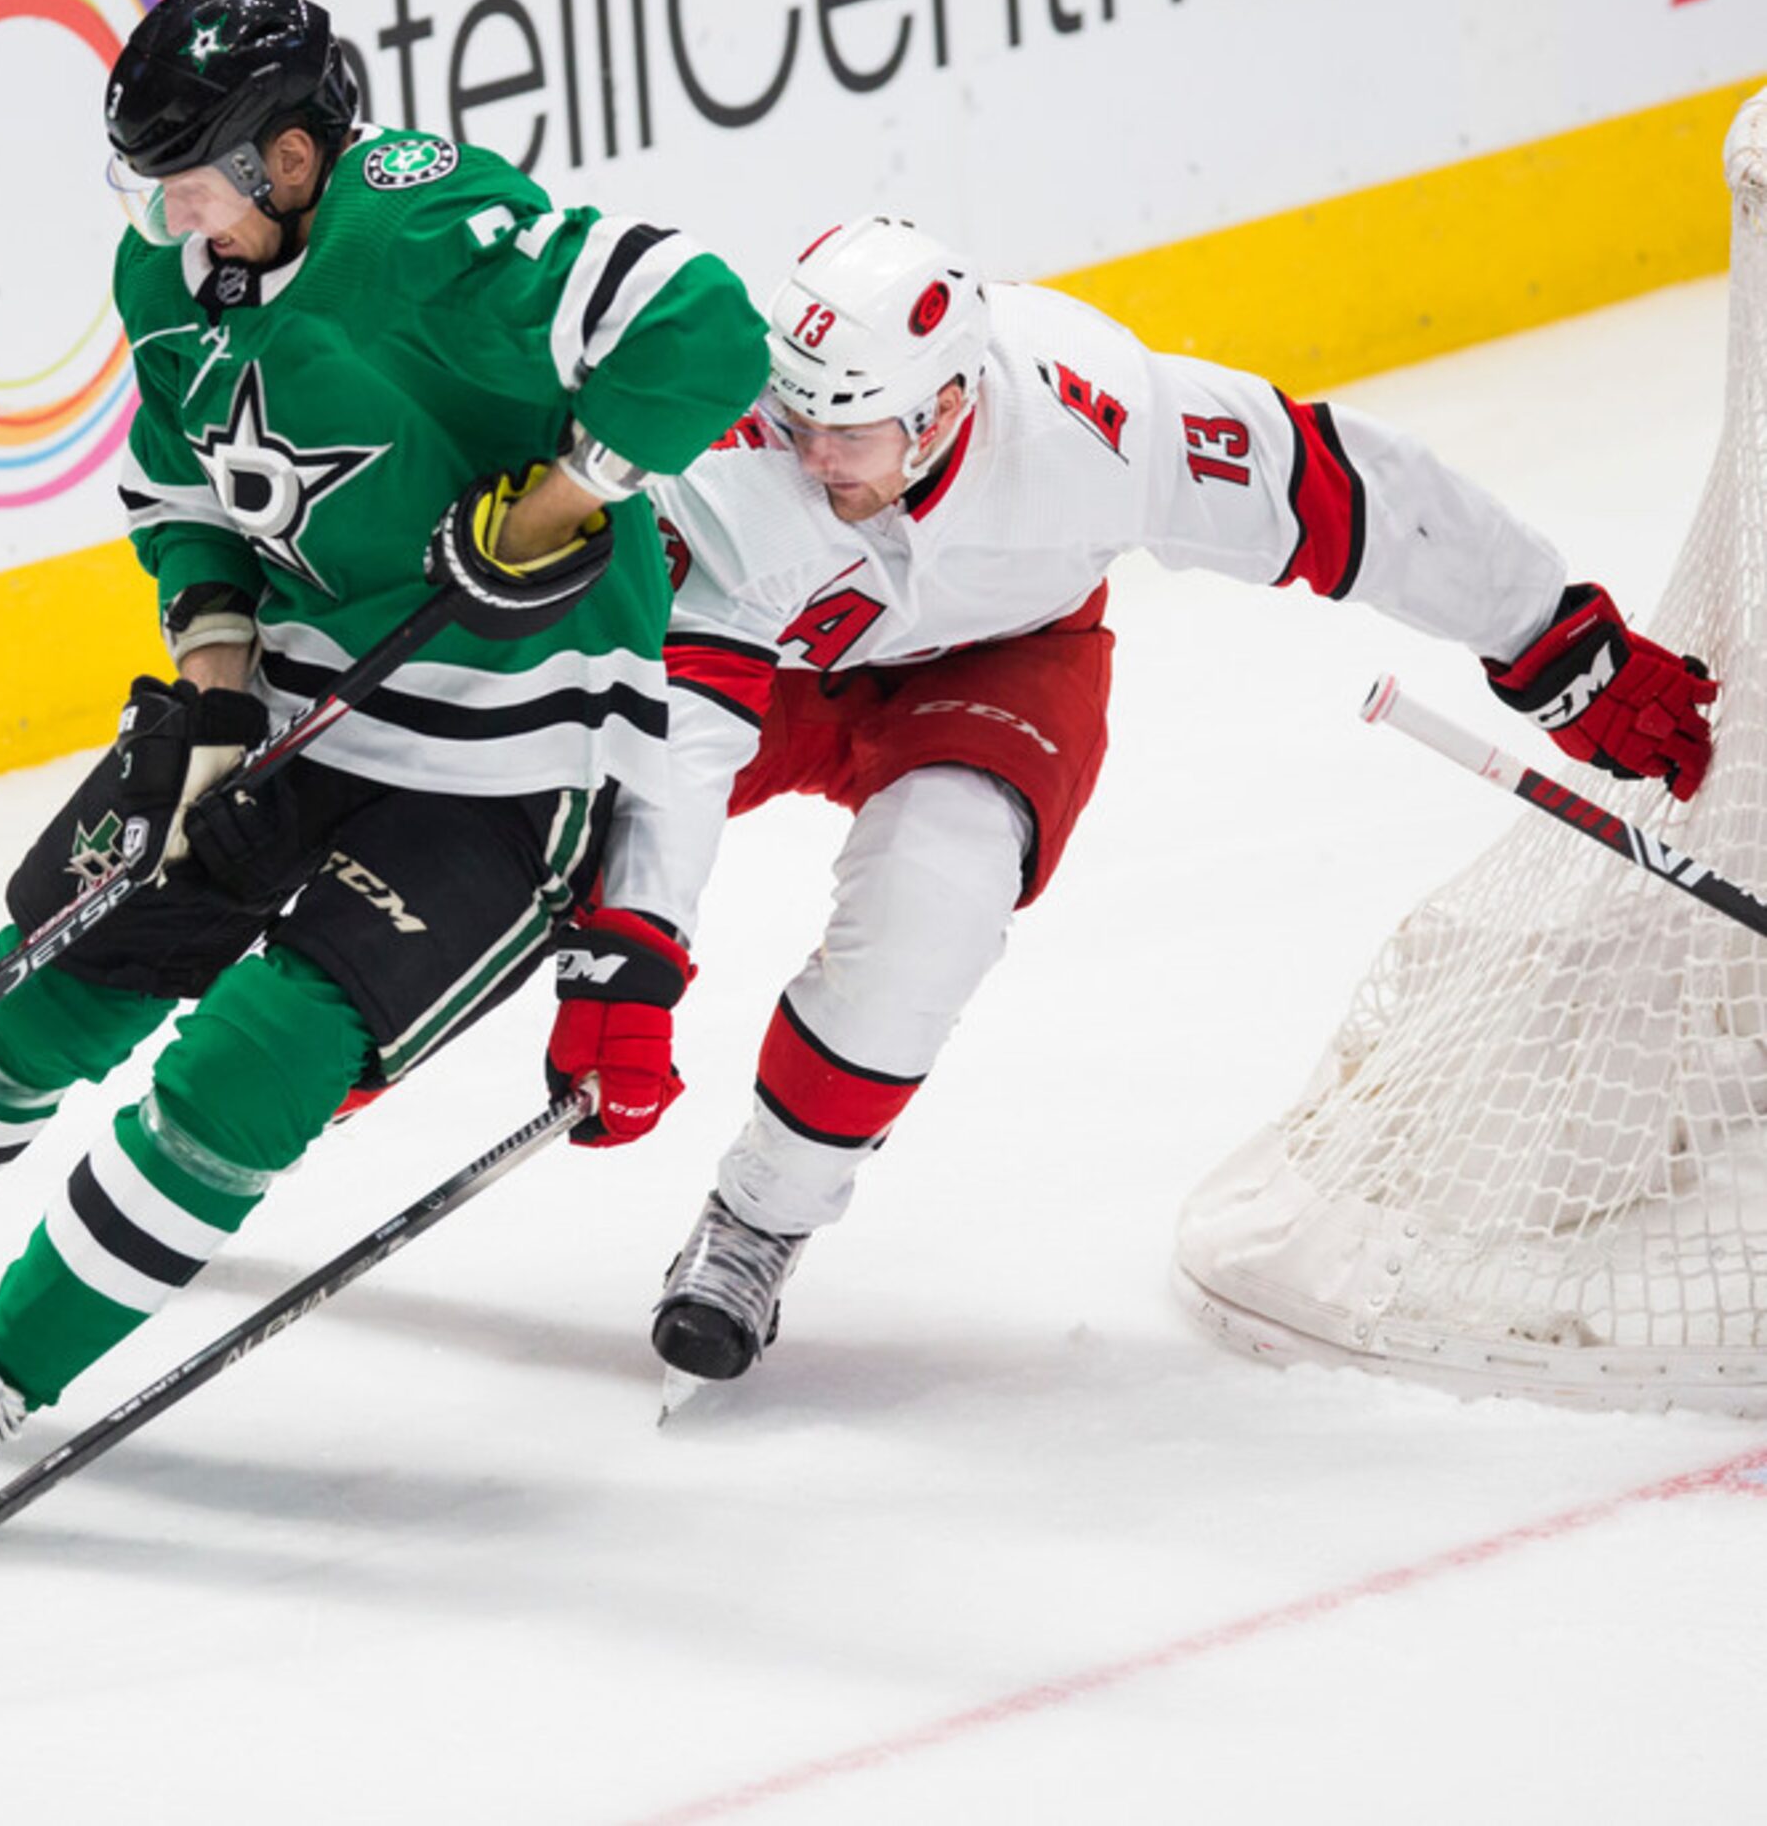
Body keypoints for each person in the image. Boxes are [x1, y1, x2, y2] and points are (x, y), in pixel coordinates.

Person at [0, 0, 767, 1531]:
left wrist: (557, 499)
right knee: (59, 969)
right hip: (282, 711)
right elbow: (185, 494)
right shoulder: (176, 281)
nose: (167, 215)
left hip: (495, 759)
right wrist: (214, 694)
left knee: (249, 1069)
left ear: (291, 152)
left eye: (192, 177)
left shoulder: (421, 224)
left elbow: (707, 324)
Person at [540, 215, 1720, 1385]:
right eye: (794, 416)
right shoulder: (733, 450)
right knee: (520, 821)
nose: (806, 453)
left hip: (1001, 664)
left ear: (947, 407)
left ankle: (756, 1224)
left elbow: (1335, 488)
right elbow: (678, 741)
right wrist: (632, 957)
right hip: (761, 673)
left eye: (845, 430)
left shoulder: (1091, 420)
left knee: (935, 901)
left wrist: (1546, 634)